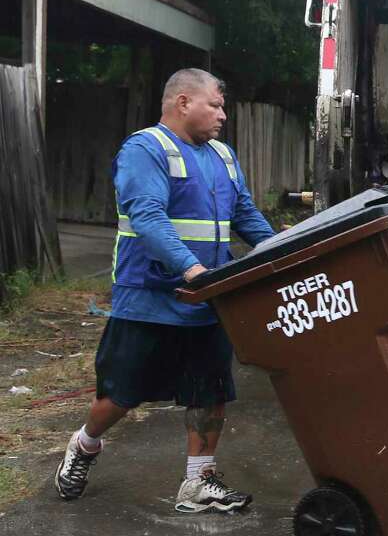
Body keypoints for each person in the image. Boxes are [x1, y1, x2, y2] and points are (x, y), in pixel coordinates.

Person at [54, 68, 275, 511]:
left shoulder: (223, 156)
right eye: (214, 104)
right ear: (183, 103)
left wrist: (279, 253)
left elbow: (246, 216)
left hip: (208, 297)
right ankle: (84, 445)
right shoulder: (145, 149)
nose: (223, 115)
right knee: (121, 394)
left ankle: (198, 483)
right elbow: (148, 217)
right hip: (151, 297)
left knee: (211, 391)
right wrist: (191, 268)